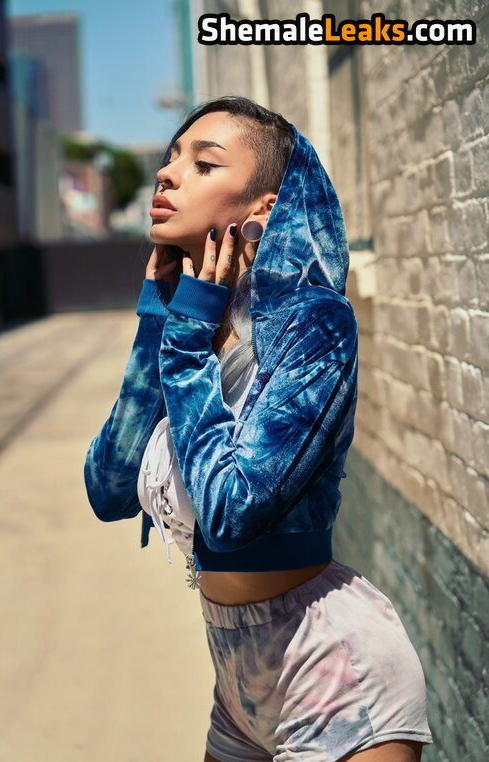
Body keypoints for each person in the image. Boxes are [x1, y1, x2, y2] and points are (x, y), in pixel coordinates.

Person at [84, 96, 434, 761]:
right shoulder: (188, 327)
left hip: (335, 674)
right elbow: (108, 488)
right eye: (171, 158)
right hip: (238, 682)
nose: (167, 173)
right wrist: (159, 319)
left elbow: (232, 514)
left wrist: (186, 345)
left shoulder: (314, 325)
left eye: (203, 163)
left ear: (264, 209)